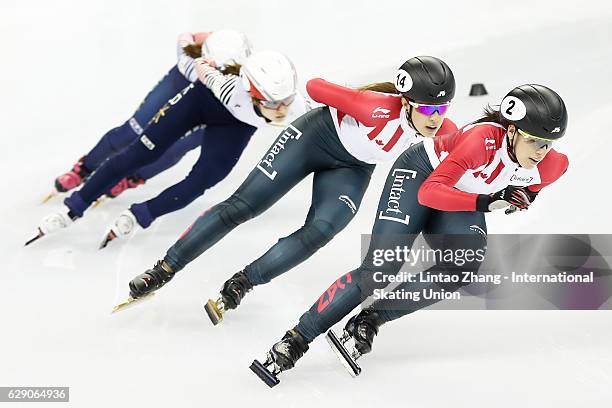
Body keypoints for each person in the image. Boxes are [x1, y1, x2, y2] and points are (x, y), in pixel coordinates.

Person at [253, 84, 569, 385]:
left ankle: (372, 318)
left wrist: (525, 196)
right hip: (421, 175)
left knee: (462, 265)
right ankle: (295, 339)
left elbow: (536, 183)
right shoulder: (481, 140)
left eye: (548, 143)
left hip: (462, 196)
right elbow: (431, 193)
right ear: (511, 130)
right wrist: (486, 201)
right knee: (380, 268)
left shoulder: (553, 165)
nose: (542, 151)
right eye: (534, 141)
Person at [123, 56, 459, 325]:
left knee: (322, 231)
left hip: (353, 167)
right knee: (244, 206)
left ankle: (243, 282)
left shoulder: (444, 129)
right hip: (315, 138)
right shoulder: (375, 108)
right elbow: (314, 87)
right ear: (407, 102)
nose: (436, 119)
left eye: (442, 109)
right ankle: (164, 269)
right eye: (429, 109)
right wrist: (349, 97)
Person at [28, 43, 308, 245]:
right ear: (251, 93)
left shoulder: (294, 105)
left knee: (202, 182)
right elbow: (201, 66)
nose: (282, 110)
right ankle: (73, 207)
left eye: (285, 101)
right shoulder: (224, 85)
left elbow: (329, 104)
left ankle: (140, 215)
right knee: (139, 154)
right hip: (201, 102)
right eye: (273, 103)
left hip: (235, 127)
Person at [45, 29, 250, 202]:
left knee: (173, 150)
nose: (215, 73)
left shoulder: (241, 81)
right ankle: (85, 168)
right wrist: (205, 36)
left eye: (225, 70)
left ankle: (133, 177)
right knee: (129, 133)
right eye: (213, 66)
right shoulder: (189, 57)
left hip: (211, 107)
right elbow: (186, 36)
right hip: (180, 84)